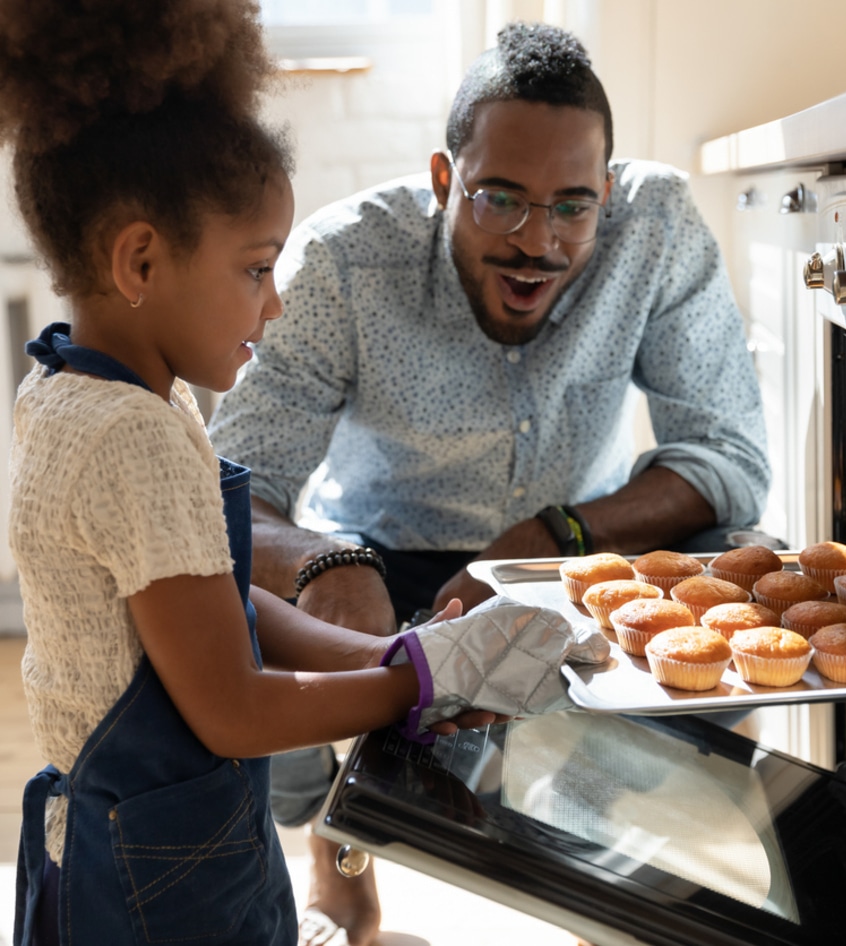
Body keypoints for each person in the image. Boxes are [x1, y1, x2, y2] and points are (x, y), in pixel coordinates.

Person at [1, 5, 606, 945]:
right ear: (141, 259)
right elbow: (234, 708)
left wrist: (384, 659)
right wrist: (423, 682)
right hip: (156, 879)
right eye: (256, 269)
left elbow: (211, 597)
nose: (277, 303)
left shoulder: (87, 390)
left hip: (157, 832)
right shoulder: (133, 437)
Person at [208, 19, 771, 946]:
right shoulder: (342, 261)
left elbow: (728, 456)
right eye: (500, 199)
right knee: (222, 608)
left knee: (745, 566)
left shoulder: (657, 227)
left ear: (608, 192)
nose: (536, 242)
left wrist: (551, 537)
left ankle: (611, 850)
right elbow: (232, 487)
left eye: (572, 206)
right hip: (380, 562)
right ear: (444, 181)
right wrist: (324, 563)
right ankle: (339, 849)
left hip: (575, 558)